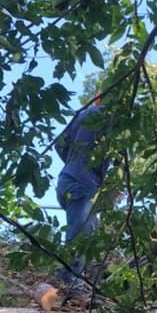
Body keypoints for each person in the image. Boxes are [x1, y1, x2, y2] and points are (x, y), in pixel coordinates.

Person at [55, 97, 109, 289]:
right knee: (81, 234)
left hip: (66, 181)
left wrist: (74, 162)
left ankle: (91, 282)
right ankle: (68, 281)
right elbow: (119, 159)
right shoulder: (112, 117)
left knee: (91, 229)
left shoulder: (82, 114)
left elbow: (58, 144)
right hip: (82, 185)